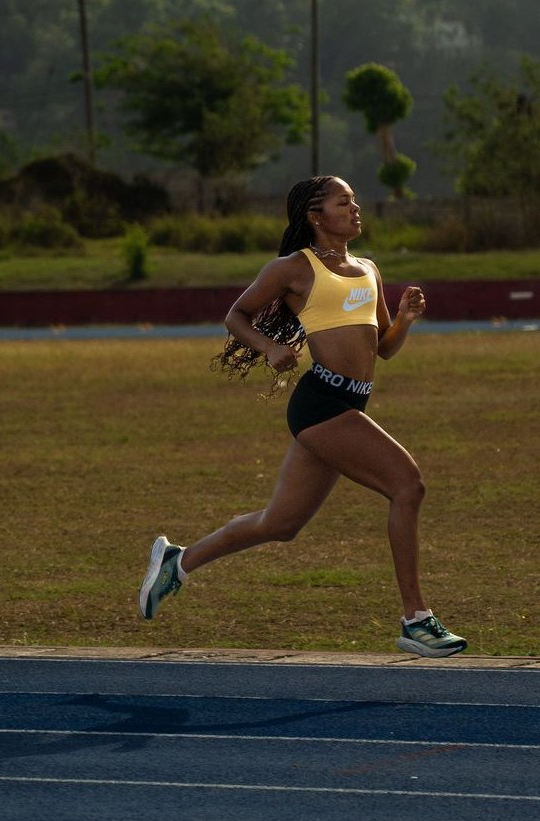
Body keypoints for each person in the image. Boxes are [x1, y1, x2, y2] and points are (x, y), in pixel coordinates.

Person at [139, 175, 467, 658]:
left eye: (354, 201)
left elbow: (383, 348)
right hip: (321, 404)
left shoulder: (368, 269)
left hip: (351, 404)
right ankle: (416, 620)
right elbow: (236, 315)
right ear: (316, 216)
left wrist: (404, 319)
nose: (355, 208)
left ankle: (178, 562)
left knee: (281, 523)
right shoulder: (293, 268)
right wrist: (269, 347)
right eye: (343, 202)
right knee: (407, 485)